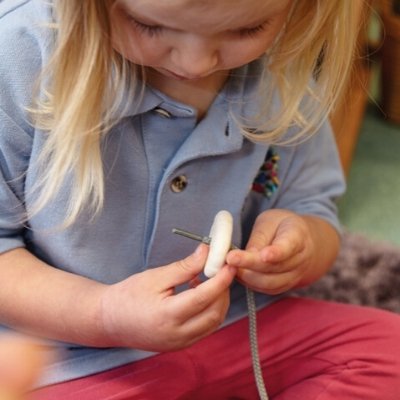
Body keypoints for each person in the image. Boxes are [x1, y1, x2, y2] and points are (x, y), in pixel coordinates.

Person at [0, 0, 400, 399]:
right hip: (69, 358)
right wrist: (103, 313)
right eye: (148, 26)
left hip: (240, 325)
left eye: (246, 30)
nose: (195, 63)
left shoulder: (285, 76)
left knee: (389, 352)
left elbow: (314, 207)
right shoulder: (22, 55)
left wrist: (303, 244)